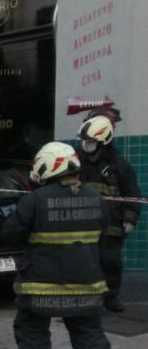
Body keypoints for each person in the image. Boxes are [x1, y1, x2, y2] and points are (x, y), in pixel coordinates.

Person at [2, 141, 132, 349]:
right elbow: (106, 232)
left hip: (40, 286)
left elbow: (10, 234)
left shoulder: (35, 200)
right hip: (87, 284)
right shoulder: (96, 198)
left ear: (48, 166)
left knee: (31, 328)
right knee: (88, 330)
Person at [75, 115, 141, 312]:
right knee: (82, 263)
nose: (86, 144)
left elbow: (132, 194)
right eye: (85, 140)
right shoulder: (75, 163)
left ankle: (110, 298)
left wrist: (130, 218)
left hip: (110, 225)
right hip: (81, 224)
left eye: (91, 141)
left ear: (103, 141)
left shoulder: (120, 166)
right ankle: (83, 300)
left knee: (111, 263)